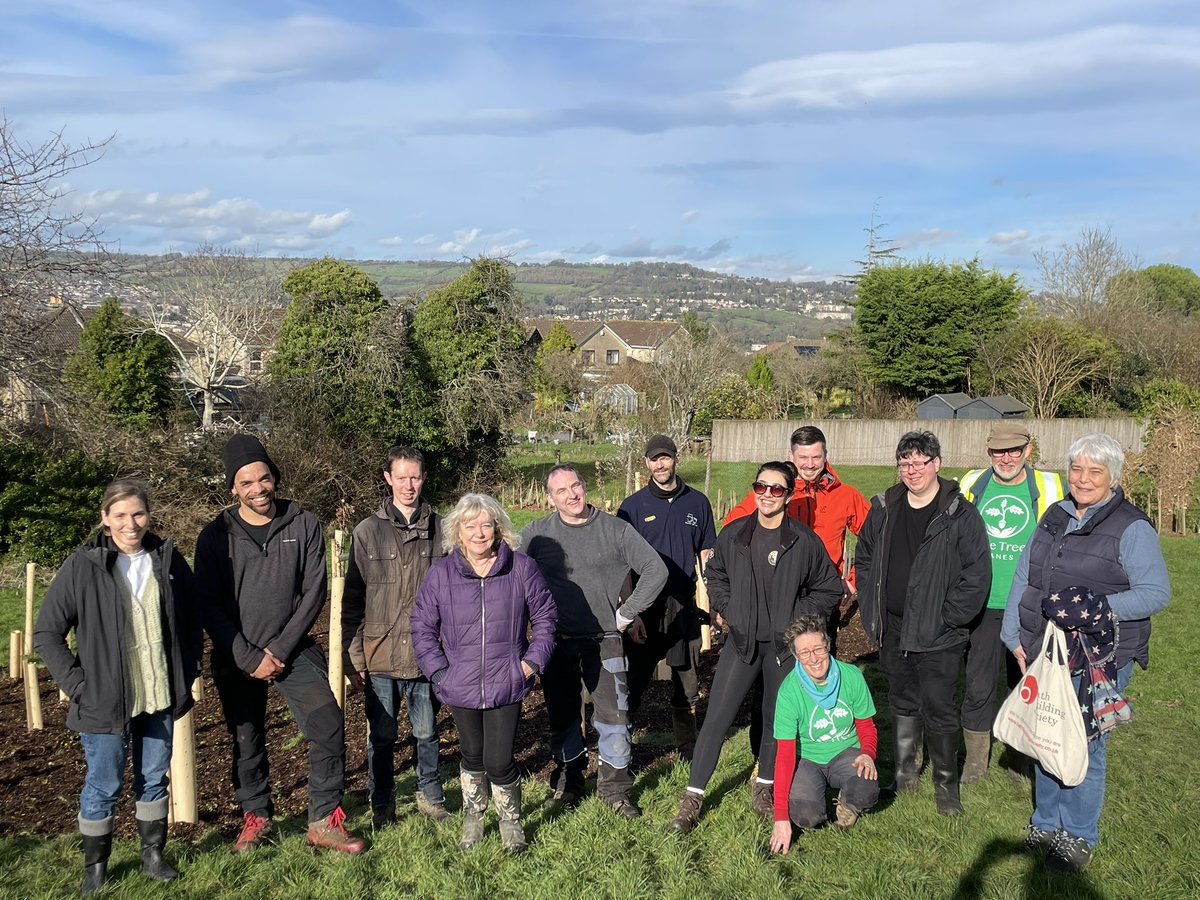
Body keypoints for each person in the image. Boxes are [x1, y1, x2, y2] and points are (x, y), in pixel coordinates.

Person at [1002, 432, 1169, 873]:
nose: (1083, 478)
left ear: (1113, 477)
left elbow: (1155, 593)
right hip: (1044, 647)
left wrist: (1095, 608)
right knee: (1045, 738)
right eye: (1076, 468)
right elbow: (1027, 572)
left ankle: (1077, 835)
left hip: (1099, 657)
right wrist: (1012, 632)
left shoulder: (1131, 527)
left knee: (1086, 745)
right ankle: (1045, 823)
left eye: (1095, 471)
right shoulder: (1055, 514)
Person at [194, 435, 364, 855]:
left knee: (327, 726)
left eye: (264, 477)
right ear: (233, 488)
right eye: (246, 482)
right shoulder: (215, 535)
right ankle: (258, 818)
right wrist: (250, 656)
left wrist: (279, 651)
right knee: (246, 737)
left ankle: (324, 820)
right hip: (238, 654)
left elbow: (314, 591)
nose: (258, 488)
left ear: (275, 478)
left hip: (293, 650)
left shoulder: (303, 523)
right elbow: (208, 604)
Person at [35, 480, 202, 894]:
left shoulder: (166, 559)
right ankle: (96, 867)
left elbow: (191, 618)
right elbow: (47, 633)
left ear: (149, 515)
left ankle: (153, 856)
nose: (132, 523)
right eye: (121, 515)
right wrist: (78, 685)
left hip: (158, 693)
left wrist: (189, 669)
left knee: (153, 778)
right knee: (103, 783)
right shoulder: (83, 566)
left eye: (139, 514)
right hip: (103, 700)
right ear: (105, 519)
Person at [669, 462, 843, 833]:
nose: (766, 495)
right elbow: (714, 575)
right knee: (716, 718)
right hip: (742, 643)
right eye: (760, 487)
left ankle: (763, 788)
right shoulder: (734, 535)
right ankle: (693, 797)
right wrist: (730, 610)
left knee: (773, 721)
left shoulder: (802, 540)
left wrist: (797, 621)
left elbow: (829, 588)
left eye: (776, 489)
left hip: (782, 649)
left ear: (789, 494)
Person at [411, 493, 557, 853]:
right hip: (458, 683)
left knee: (499, 760)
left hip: (507, 680)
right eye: (470, 525)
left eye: (486, 524)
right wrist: (439, 672)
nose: (479, 533)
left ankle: (510, 822)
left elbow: (546, 619)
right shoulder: (441, 573)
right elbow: (421, 626)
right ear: (458, 532)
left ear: (498, 529)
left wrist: (530, 663)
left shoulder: (521, 568)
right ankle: (474, 816)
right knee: (472, 755)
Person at [854, 431, 990, 817]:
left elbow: (976, 575)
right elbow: (864, 558)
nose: (912, 471)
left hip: (939, 633)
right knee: (902, 700)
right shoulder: (884, 507)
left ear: (937, 465)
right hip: (893, 627)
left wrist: (950, 618)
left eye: (919, 463)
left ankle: (946, 787)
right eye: (905, 464)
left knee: (939, 708)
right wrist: (871, 606)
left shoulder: (959, 515)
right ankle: (904, 772)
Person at [520, 463, 667, 818]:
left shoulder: (616, 530)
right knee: (563, 715)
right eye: (561, 491)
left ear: (584, 486)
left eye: (576, 486)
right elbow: (514, 581)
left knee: (614, 716)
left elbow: (655, 570)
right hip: (555, 641)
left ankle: (615, 790)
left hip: (604, 640)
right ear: (550, 498)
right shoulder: (536, 535)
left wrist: (627, 614)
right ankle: (570, 778)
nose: (572, 495)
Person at [723, 426, 870, 772]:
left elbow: (874, 537)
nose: (809, 464)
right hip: (774, 606)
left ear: (825, 455)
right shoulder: (777, 489)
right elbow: (733, 530)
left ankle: (821, 753)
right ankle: (765, 759)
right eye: (802, 458)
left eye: (816, 457)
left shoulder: (845, 494)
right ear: (791, 456)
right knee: (770, 687)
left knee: (819, 677)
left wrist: (851, 580)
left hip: (818, 604)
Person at [342, 446, 448, 829]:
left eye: (415, 477)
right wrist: (354, 658)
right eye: (401, 477)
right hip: (380, 654)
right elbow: (352, 603)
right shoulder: (368, 532)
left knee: (427, 732)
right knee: (382, 737)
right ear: (388, 479)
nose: (408, 485)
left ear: (423, 478)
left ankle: (431, 796)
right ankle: (382, 803)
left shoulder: (441, 529)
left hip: (426, 655)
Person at [958, 423, 1064, 785]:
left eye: (1014, 451)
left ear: (1028, 451)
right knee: (978, 683)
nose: (1006, 459)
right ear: (988, 453)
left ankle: (1019, 756)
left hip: (1030, 605)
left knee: (1026, 683)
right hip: (984, 603)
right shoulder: (972, 484)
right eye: (998, 452)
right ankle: (976, 761)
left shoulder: (1052, 487)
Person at [617, 434, 717, 758]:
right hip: (645, 612)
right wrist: (629, 615)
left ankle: (689, 750)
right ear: (646, 463)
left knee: (687, 684)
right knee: (633, 684)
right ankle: (620, 753)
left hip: (683, 607)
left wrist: (713, 604)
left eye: (666, 457)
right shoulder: (632, 508)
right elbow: (621, 566)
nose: (660, 464)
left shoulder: (698, 503)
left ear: (676, 458)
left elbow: (706, 555)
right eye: (653, 459)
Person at [768, 614, 879, 854]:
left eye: (818, 648)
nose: (814, 658)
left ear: (827, 645)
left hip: (846, 752)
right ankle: (816, 799)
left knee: (867, 789)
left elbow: (866, 726)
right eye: (804, 653)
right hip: (807, 759)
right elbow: (785, 755)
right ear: (796, 656)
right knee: (806, 817)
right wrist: (780, 817)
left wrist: (868, 753)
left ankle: (848, 804)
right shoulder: (788, 692)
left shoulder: (852, 676)